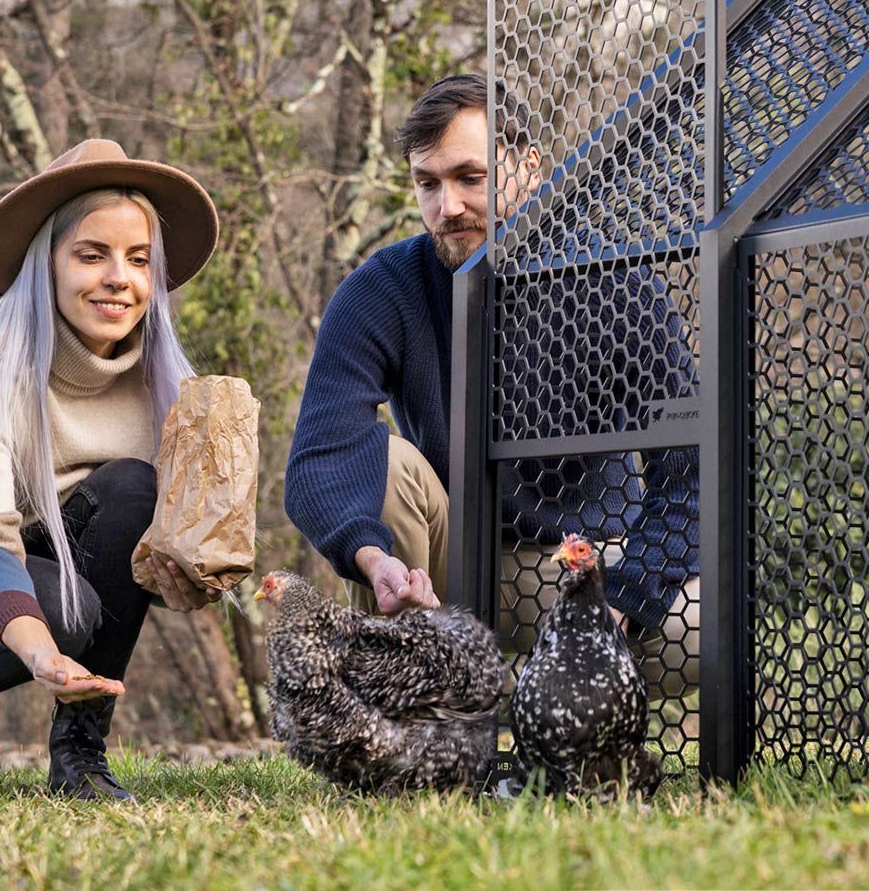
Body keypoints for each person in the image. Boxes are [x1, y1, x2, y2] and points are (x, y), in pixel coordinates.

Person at [285, 74, 699, 694]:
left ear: (528, 167)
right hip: (455, 561)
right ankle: (418, 720)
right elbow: (321, 454)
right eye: (428, 183)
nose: (447, 206)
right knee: (385, 462)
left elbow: (691, 472)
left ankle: (575, 727)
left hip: (589, 569)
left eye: (470, 179)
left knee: (704, 631)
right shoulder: (383, 288)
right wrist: (372, 559)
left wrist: (620, 604)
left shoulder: (618, 283)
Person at [0, 139, 221, 800]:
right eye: (91, 254)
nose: (118, 278)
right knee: (62, 610)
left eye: (138, 259)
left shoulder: (169, 392)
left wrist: (191, 573)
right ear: (45, 265)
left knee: (134, 488)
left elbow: (134, 567)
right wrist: (44, 653)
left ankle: (79, 756)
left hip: (48, 561)